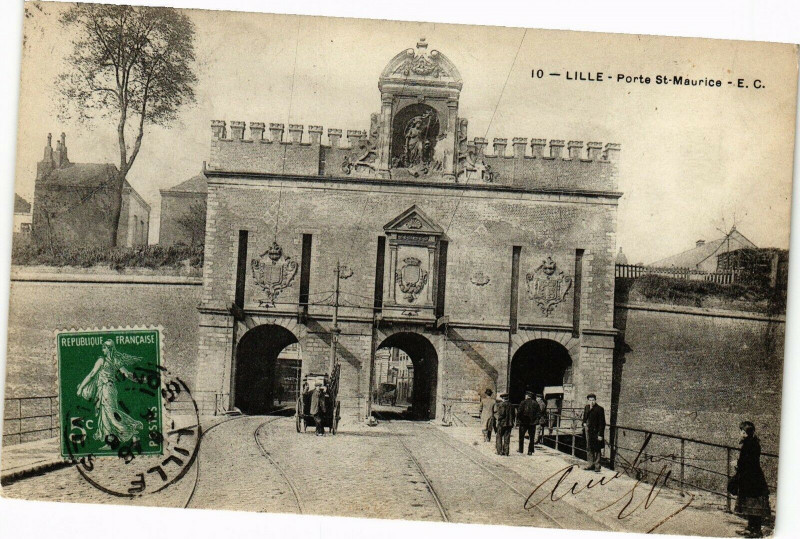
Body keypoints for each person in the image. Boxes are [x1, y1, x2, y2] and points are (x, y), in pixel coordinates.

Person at [732, 421, 771, 537]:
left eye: (741, 431)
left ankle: (756, 530)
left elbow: (748, 462)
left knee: (753, 503)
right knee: (752, 504)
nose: (740, 433)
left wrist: (737, 463)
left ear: (745, 433)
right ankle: (751, 528)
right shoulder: (753, 442)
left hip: (751, 479)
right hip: (753, 477)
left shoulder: (749, 444)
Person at [582, 393, 606, 472]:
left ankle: (597, 466)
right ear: (588, 400)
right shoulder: (586, 407)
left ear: (595, 400)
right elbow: (584, 418)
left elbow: (602, 423)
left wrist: (600, 434)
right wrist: (584, 423)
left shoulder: (599, 409)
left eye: (593, 400)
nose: (591, 402)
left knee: (597, 448)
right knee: (589, 447)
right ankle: (590, 464)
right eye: (590, 400)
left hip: (596, 431)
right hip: (588, 431)